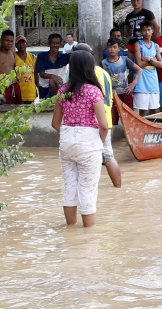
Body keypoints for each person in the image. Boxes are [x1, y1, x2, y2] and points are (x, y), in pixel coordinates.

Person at [50, 50, 108, 227]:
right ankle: (88, 237)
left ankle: (70, 231)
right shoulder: (93, 91)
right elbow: (104, 125)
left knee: (70, 187)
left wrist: (70, 135)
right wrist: (99, 141)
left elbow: (55, 123)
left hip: (67, 141)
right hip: (89, 142)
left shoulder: (63, 91)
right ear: (90, 68)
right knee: (87, 189)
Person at [75, 43, 121, 188]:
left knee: (85, 158)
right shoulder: (103, 72)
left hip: (90, 121)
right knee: (108, 156)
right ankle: (118, 189)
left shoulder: (81, 73)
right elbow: (110, 98)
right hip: (106, 118)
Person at [103, 37, 141, 119]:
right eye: (110, 47)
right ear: (107, 48)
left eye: (114, 47)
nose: (112, 49)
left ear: (119, 49)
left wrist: (133, 84)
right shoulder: (103, 63)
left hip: (125, 92)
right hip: (111, 95)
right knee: (113, 118)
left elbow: (139, 70)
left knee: (129, 117)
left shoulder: (124, 59)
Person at [133, 23, 162, 115]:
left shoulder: (156, 46)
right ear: (141, 32)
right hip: (141, 81)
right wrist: (153, 61)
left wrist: (148, 59)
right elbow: (139, 63)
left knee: (154, 109)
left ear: (152, 31)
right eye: (144, 30)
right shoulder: (138, 44)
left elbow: (161, 64)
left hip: (153, 81)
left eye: (149, 30)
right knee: (143, 110)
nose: (147, 32)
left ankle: (151, 128)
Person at [36, 33, 70, 99]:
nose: (55, 45)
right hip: (44, 88)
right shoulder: (41, 56)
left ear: (60, 45)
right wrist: (52, 76)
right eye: (53, 43)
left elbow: (77, 61)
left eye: (57, 43)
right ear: (48, 44)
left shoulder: (65, 57)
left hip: (60, 88)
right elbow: (41, 74)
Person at [0, 29, 19, 104]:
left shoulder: (12, 52)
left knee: (17, 110)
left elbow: (15, 67)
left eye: (11, 41)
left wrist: (17, 77)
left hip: (14, 86)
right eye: (7, 41)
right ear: (1, 40)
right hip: (3, 86)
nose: (9, 43)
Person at [13, 36, 38, 103]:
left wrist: (38, 88)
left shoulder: (32, 57)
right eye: (19, 43)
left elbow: (36, 74)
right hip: (18, 93)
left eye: (23, 43)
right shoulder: (13, 58)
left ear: (27, 44)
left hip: (31, 92)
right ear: (16, 45)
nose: (21, 45)